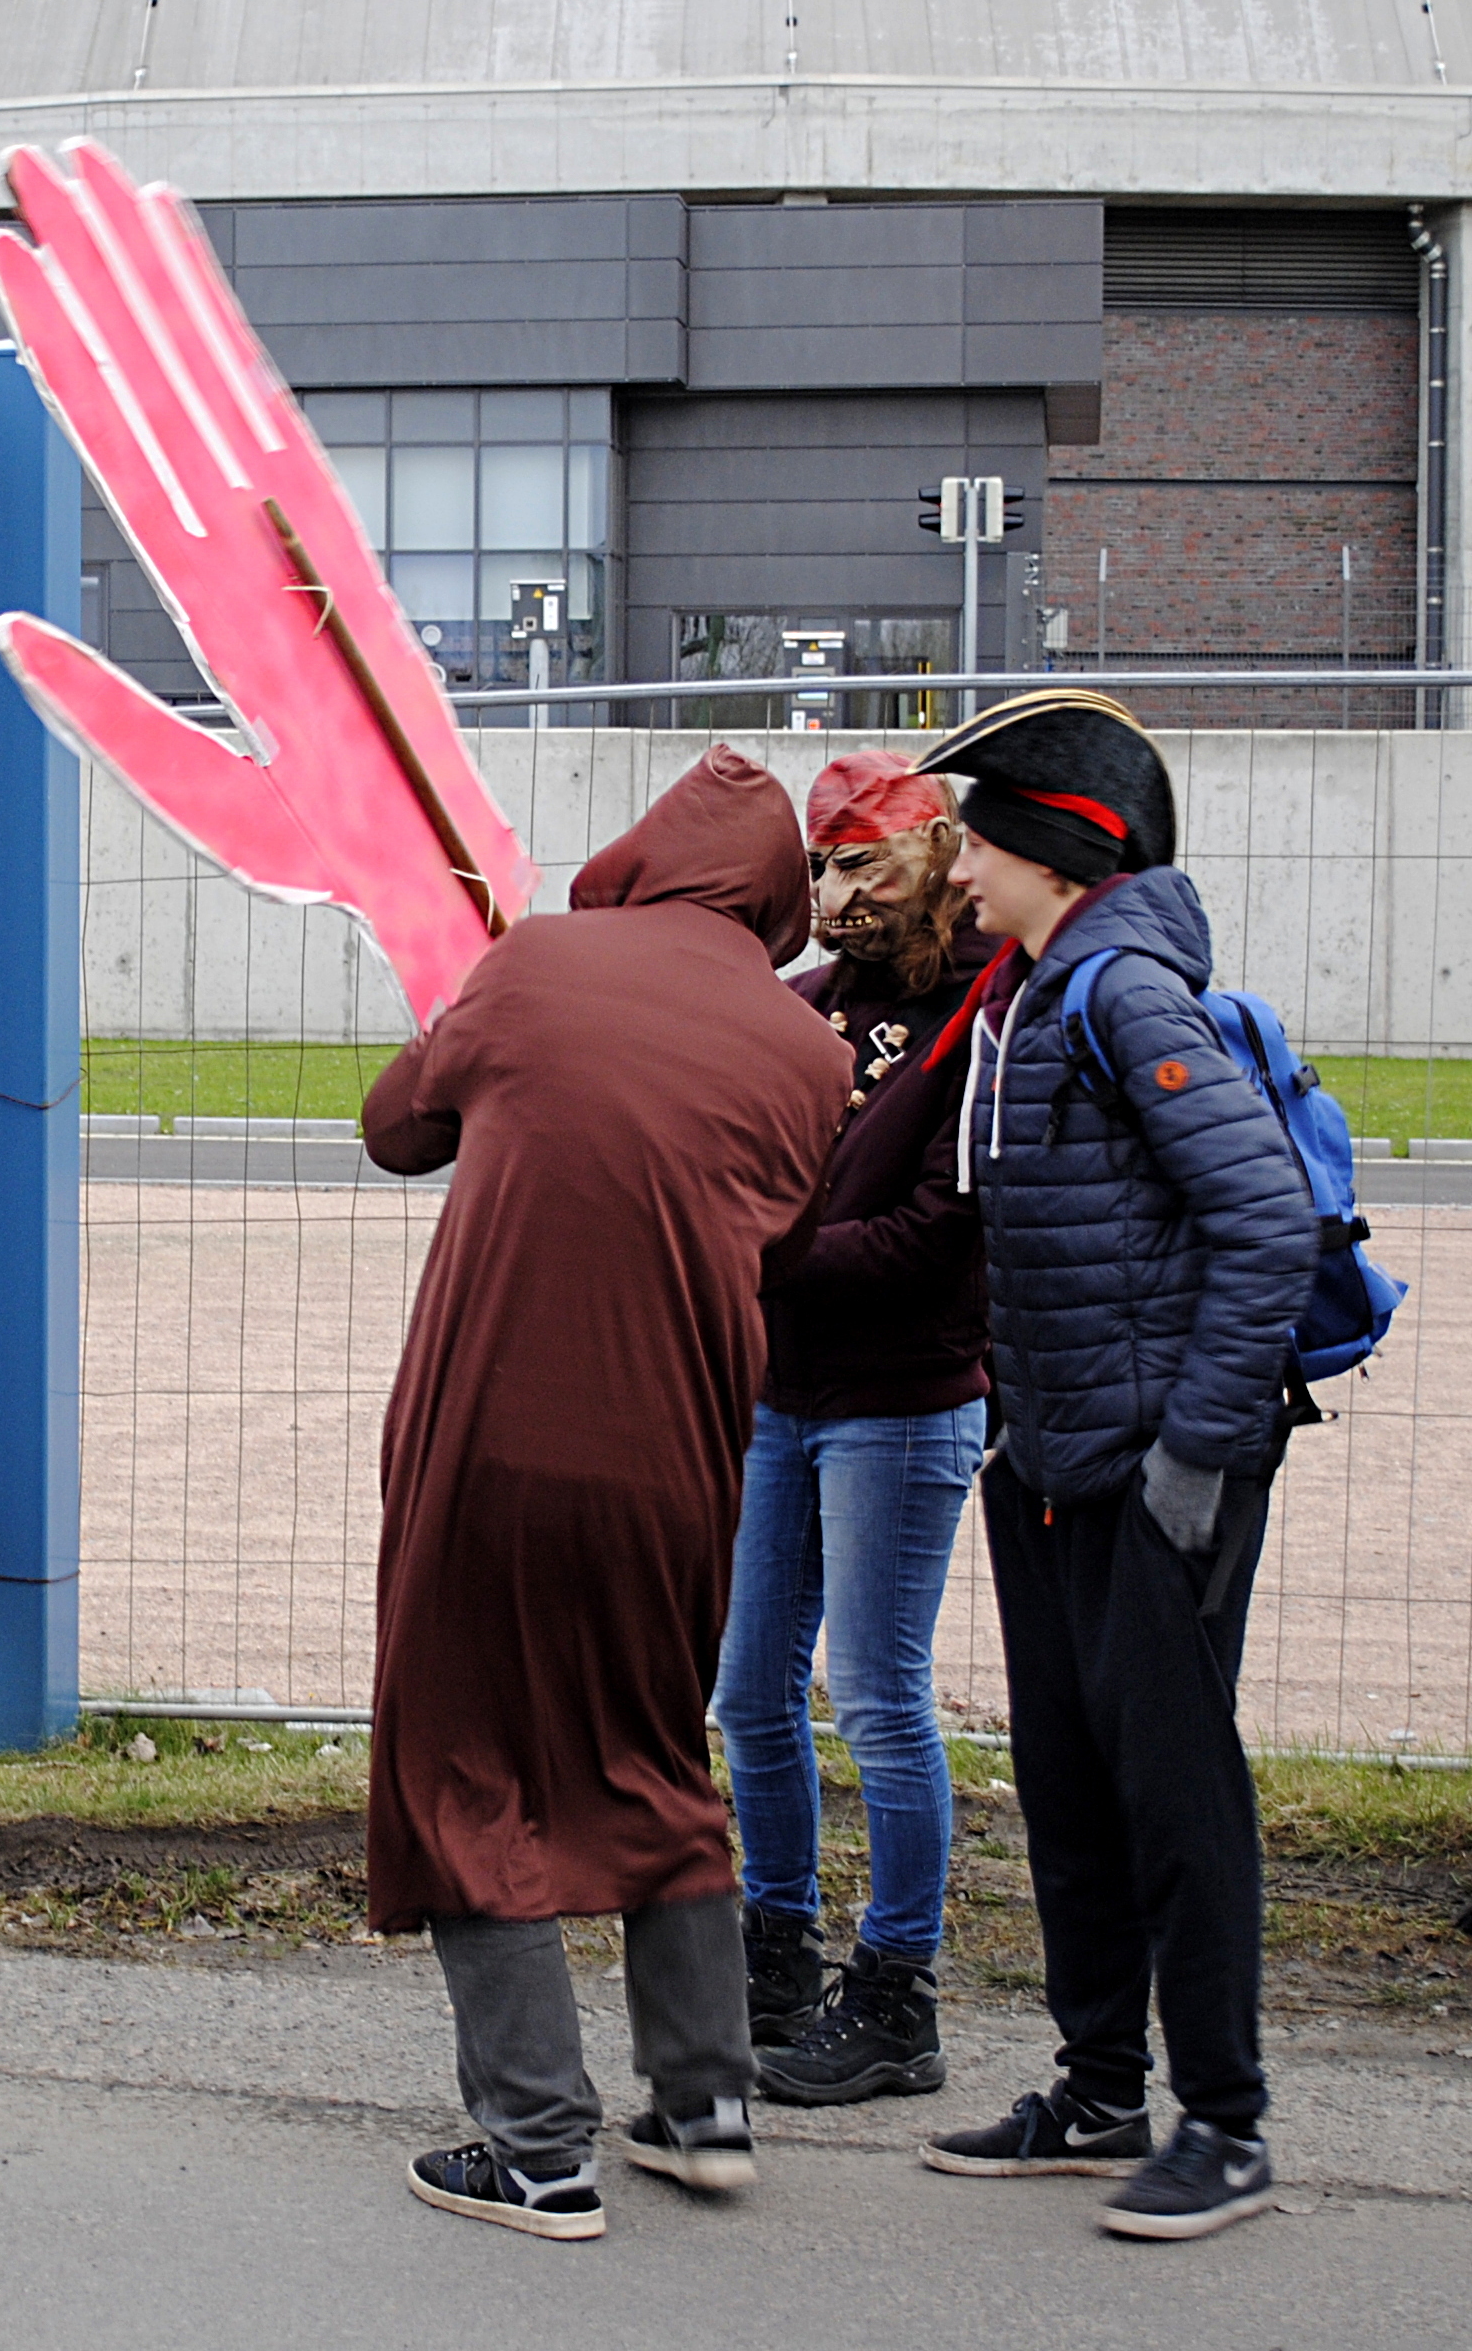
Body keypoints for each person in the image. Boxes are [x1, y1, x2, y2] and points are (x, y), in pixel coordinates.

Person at [365, 744, 852, 2242]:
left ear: (641, 850)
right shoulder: (808, 1050)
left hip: (494, 1433)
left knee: (466, 1758)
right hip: (683, 1452)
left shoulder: (536, 966)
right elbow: (779, 1233)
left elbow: (396, 1128)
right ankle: (704, 2105)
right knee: (651, 1744)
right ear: (774, 899)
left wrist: (481, 1007)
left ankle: (533, 2147)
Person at [906, 689, 1314, 2243]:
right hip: (1052, 1454)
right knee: (1071, 1781)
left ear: (1053, 849)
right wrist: (1026, 1434)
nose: (956, 872)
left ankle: (1223, 2120)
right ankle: (1096, 2090)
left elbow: (1262, 1220)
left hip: (1152, 1466)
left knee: (1173, 1791)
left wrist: (1191, 1460)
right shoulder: (1033, 984)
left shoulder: (1123, 990)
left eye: (974, 844)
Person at [712, 752, 997, 2105]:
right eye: (821, 865)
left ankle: (896, 1992)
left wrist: (759, 1256)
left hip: (903, 1399)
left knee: (878, 1697)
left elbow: (941, 1231)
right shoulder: (800, 1009)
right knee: (746, 1687)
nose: (835, 893)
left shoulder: (980, 1011)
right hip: (780, 1394)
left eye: (863, 860)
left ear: (936, 850)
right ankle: (772, 1951)